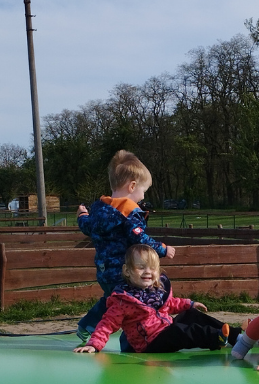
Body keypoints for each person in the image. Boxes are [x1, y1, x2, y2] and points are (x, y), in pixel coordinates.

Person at [76, 150, 176, 345]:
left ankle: (87, 325)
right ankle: (132, 338)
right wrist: (163, 249)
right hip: (125, 271)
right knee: (134, 302)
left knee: (111, 299)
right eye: (143, 191)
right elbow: (139, 239)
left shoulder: (99, 209)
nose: (142, 197)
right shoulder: (129, 213)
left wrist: (82, 215)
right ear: (132, 186)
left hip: (104, 271)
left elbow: (86, 226)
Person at [75, 245, 240, 354]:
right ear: (127, 271)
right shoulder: (123, 300)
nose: (148, 272)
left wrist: (188, 304)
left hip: (165, 329)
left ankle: (235, 335)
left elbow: (169, 304)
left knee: (191, 315)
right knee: (181, 332)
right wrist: (94, 344)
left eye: (152, 268)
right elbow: (107, 323)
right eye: (141, 267)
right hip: (150, 343)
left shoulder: (155, 290)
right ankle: (216, 338)